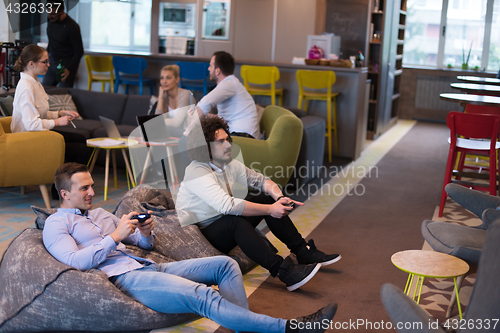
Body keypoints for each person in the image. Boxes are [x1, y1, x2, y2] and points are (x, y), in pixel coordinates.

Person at [43, 162, 338, 333]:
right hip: (125, 280)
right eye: (84, 189)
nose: (92, 192)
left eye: (92, 185)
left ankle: (243, 326)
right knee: (203, 296)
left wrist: (145, 232)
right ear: (65, 194)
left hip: (145, 266)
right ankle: (288, 328)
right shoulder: (56, 225)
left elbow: (142, 244)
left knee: (225, 264)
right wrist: (115, 237)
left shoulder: (99, 215)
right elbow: (75, 261)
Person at [175, 116, 341, 292]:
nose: (228, 145)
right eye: (220, 142)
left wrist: (278, 199)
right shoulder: (196, 171)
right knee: (235, 221)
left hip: (222, 220)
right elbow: (227, 206)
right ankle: (284, 271)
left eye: (227, 139)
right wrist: (271, 210)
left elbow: (261, 181)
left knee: (265, 198)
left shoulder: (229, 164)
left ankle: (302, 251)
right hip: (201, 235)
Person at [187, 51, 259, 139]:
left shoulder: (229, 84)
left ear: (217, 71)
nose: (208, 69)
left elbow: (206, 102)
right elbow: (225, 117)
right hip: (241, 133)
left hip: (243, 135)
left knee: (198, 140)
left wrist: (188, 130)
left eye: (211, 66)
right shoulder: (231, 84)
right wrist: (203, 116)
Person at [11, 44, 78, 132]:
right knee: (78, 143)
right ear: (31, 64)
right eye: (44, 62)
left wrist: (59, 114)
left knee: (79, 139)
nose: (48, 65)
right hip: (26, 139)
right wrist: (56, 122)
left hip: (37, 135)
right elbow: (31, 124)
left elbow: (39, 114)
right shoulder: (26, 87)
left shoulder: (35, 83)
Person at [42, 0, 84, 88]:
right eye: (48, 13)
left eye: (53, 14)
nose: (50, 17)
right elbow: (51, 41)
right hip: (53, 62)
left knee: (63, 94)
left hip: (66, 66)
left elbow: (79, 51)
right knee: (43, 90)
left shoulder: (72, 27)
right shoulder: (51, 20)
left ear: (61, 11)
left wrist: (69, 69)